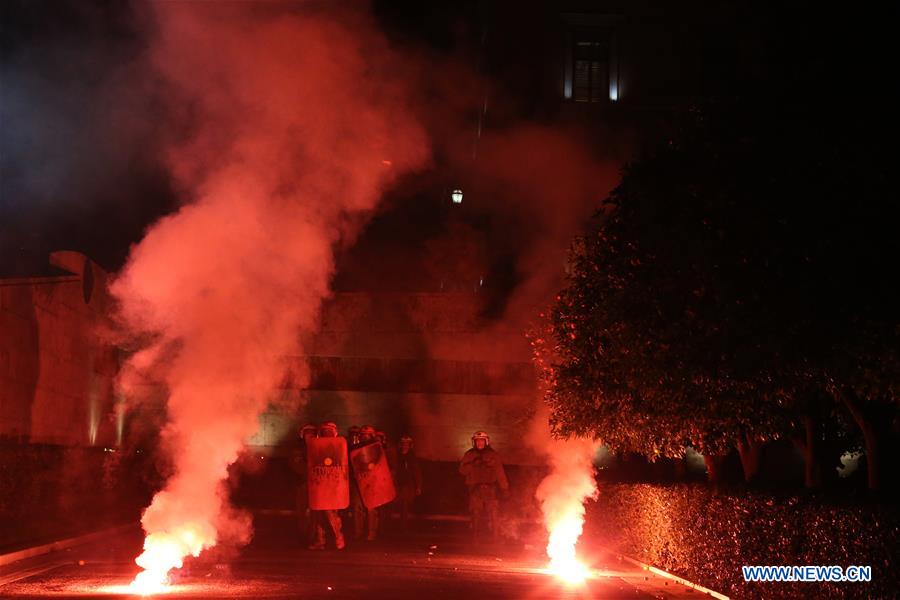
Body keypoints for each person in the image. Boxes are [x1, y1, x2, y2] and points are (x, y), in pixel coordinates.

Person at [459, 430, 508, 539]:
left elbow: (500, 472)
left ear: (486, 442)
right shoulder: (469, 455)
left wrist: (504, 488)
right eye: (477, 441)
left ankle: (496, 538)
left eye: (481, 441)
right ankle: (475, 537)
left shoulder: (493, 455)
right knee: (475, 514)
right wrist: (472, 464)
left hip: (490, 489)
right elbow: (462, 471)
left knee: (494, 514)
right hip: (475, 489)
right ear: (474, 442)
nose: (479, 443)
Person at [309, 421, 345, 550]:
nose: (326, 434)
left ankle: (338, 538)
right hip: (320, 485)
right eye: (324, 432)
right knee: (319, 513)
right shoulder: (317, 447)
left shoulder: (339, 447)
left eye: (329, 432)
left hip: (333, 486)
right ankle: (321, 540)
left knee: (331, 515)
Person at [289, 423, 318, 545]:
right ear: (303, 435)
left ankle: (312, 538)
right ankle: (303, 538)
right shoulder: (298, 450)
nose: (309, 436)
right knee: (302, 514)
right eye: (307, 434)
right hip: (303, 485)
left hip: (316, 486)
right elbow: (296, 466)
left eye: (312, 434)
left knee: (314, 515)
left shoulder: (318, 448)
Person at [351, 425, 380, 541]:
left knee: (371, 509)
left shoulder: (377, 449)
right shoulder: (355, 448)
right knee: (357, 508)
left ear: (371, 435)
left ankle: (371, 533)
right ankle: (358, 532)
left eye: (366, 435)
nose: (364, 437)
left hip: (372, 482)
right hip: (358, 482)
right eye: (362, 435)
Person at [393, 435, 422, 531]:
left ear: (410, 445)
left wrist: (418, 486)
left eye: (407, 444)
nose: (405, 446)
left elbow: (416, 472)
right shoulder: (396, 456)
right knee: (398, 504)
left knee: (404, 504)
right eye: (403, 444)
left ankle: (403, 526)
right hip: (397, 483)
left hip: (407, 484)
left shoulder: (412, 457)